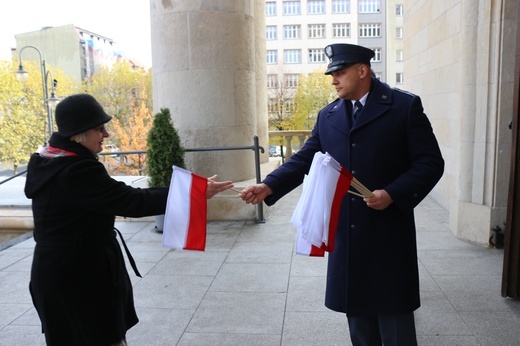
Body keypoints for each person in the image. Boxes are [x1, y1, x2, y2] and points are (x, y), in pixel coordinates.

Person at [241, 44, 444, 345]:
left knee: (395, 322)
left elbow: (430, 163)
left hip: (388, 232)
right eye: (332, 74)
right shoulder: (329, 115)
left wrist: (391, 193)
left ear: (362, 71)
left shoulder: (403, 107)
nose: (333, 80)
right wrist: (269, 185)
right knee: (359, 323)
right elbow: (304, 159)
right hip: (348, 234)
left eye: (339, 73)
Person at [24, 93, 234, 346]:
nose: (106, 135)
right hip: (80, 276)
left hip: (57, 270)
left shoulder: (48, 160)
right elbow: (132, 201)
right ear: (78, 133)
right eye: (99, 128)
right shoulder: (77, 170)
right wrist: (193, 191)